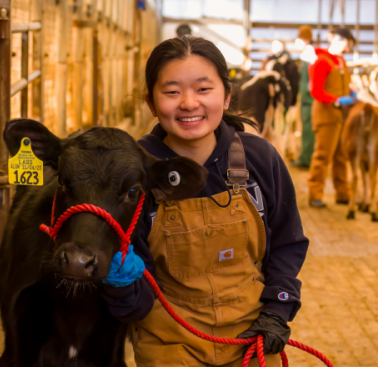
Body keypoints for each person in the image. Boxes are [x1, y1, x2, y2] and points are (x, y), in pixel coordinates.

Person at [101, 36, 309, 367]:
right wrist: (121, 286)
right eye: (172, 91)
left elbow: (288, 243)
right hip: (168, 342)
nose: (188, 103)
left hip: (250, 336)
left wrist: (278, 309)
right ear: (151, 103)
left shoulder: (259, 158)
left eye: (203, 89)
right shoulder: (133, 174)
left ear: (226, 96)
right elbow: (137, 304)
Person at [308, 28, 356, 208]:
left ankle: (343, 193)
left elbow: (339, 84)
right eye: (347, 45)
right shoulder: (322, 61)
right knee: (323, 155)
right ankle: (315, 194)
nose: (348, 50)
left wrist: (350, 92)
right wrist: (336, 100)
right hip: (326, 114)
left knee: (341, 156)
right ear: (339, 40)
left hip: (342, 115)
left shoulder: (340, 61)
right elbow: (316, 91)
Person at [291, 25, 317, 169]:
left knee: (308, 127)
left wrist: (308, 94)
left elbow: (312, 77)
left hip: (309, 98)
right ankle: (305, 156)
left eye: (298, 38)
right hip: (306, 98)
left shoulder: (309, 52)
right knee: (306, 126)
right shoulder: (306, 53)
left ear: (304, 38)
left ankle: (306, 159)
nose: (296, 41)